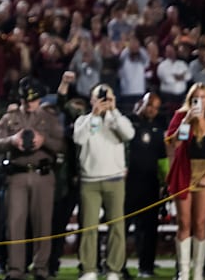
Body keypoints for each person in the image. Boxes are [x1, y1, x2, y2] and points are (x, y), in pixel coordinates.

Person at [0, 78, 63, 280]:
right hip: (17, 174)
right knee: (15, 224)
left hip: (42, 174)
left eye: (32, 100)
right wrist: (12, 140)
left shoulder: (49, 118)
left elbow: (61, 145)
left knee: (43, 224)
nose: (28, 103)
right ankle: (16, 269)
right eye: (25, 100)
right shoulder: (10, 117)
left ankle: (40, 268)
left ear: (39, 99)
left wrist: (44, 141)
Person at [73, 84, 135, 280]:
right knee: (88, 226)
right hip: (89, 181)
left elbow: (129, 134)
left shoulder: (117, 119)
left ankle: (113, 270)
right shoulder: (83, 120)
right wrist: (94, 115)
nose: (103, 100)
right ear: (91, 100)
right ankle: (89, 269)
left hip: (114, 179)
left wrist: (113, 111)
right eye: (99, 97)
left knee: (117, 227)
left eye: (107, 96)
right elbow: (79, 139)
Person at [165, 83, 205, 280]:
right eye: (195, 98)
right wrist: (187, 121)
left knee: (200, 222)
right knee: (184, 222)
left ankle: (198, 272)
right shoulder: (181, 116)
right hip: (184, 170)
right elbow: (173, 143)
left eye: (203, 98)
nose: (199, 101)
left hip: (204, 172)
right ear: (190, 99)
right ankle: (183, 272)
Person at [126, 93, 167, 277]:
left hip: (150, 184)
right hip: (128, 183)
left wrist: (164, 180)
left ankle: (146, 267)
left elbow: (162, 159)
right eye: (149, 104)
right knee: (122, 227)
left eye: (156, 107)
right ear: (140, 103)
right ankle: (116, 266)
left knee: (150, 228)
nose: (152, 109)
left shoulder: (159, 128)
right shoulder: (127, 123)